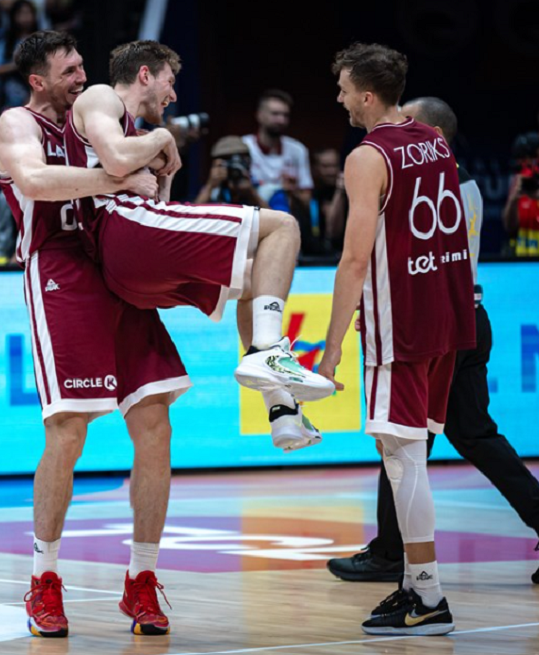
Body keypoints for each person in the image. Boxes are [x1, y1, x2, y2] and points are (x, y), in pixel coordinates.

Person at [0, 31, 190, 638]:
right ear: (38, 81)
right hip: (61, 270)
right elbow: (35, 183)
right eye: (70, 71)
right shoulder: (17, 123)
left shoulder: (102, 118)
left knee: (155, 420)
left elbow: (151, 188)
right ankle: (44, 579)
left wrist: (152, 161)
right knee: (69, 429)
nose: (83, 77)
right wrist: (117, 177)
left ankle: (141, 579)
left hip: (117, 265)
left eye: (83, 66)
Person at [64, 40, 333, 443]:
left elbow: (155, 202)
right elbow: (118, 160)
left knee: (255, 279)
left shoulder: (133, 132)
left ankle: (282, 411)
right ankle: (269, 353)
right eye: (169, 82)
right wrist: (162, 138)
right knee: (282, 226)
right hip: (125, 232)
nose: (173, 95)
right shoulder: (103, 96)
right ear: (144, 75)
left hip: (129, 267)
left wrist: (163, 171)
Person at [326, 96, 539, 586]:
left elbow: (400, 257)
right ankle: (391, 549)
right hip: (467, 318)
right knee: (471, 434)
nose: (400, 126)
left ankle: (391, 555)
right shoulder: (463, 183)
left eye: (409, 121)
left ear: (431, 135)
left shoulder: (432, 183)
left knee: (401, 436)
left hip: (437, 322)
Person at [318, 45, 476, 636]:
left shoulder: (368, 156)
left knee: (403, 458)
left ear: (366, 95)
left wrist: (331, 348)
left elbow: (355, 259)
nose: (338, 98)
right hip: (448, 314)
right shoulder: (433, 138)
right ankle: (412, 585)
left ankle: (429, 596)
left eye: (343, 89)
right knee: (410, 455)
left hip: (402, 321)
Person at [241, 89, 313, 209]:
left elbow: (307, 200)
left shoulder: (298, 150)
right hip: (250, 213)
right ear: (259, 115)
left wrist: (292, 190)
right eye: (275, 114)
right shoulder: (243, 146)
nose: (281, 120)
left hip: (287, 213)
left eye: (285, 115)